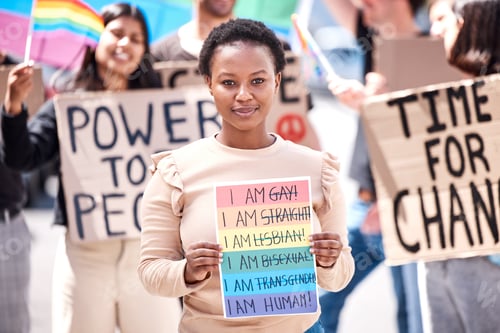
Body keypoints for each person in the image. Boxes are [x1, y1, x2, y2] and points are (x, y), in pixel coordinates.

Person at [138, 18, 355, 333]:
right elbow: (150, 272)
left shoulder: (317, 170)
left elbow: (340, 276)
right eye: (228, 82)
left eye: (257, 81)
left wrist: (329, 260)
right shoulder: (175, 172)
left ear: (277, 81)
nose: (243, 95)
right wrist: (188, 271)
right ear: (208, 84)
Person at [1, 3, 181, 332]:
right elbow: (22, 159)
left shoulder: (166, 108)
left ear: (144, 51)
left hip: (149, 255)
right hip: (85, 258)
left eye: (136, 38)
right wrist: (13, 108)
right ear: (96, 40)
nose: (125, 43)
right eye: (116, 34)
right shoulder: (66, 107)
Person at [318, 0, 426, 332]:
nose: (359, 3)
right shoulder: (372, 33)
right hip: (367, 204)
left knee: (414, 312)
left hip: (411, 209)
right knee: (319, 302)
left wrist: (371, 104)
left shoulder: (437, 51)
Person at [151, 0, 322, 151]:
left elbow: (299, 116)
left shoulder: (275, 47)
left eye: (257, 80)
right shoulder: (159, 55)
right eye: (228, 82)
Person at [424, 0, 500, 332]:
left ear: (473, 22)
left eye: (443, 20)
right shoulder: (462, 95)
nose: (434, 31)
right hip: (449, 255)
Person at [0, 51, 31, 333]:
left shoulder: (22, 73)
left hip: (5, 223)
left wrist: (14, 105)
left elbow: (27, 151)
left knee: (11, 324)